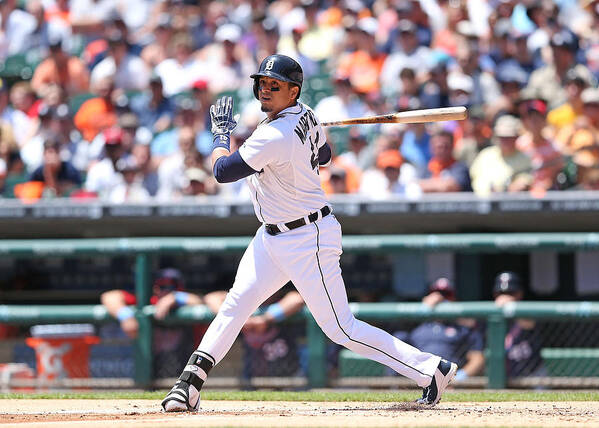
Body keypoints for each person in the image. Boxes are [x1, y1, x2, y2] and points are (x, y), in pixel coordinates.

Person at [161, 54, 457, 412]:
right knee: (235, 305)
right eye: (263, 83)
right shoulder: (304, 115)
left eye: (276, 85)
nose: (266, 90)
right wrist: (308, 132)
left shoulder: (277, 132)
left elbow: (223, 170)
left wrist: (220, 135)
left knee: (341, 328)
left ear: (293, 91)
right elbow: (326, 153)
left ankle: (431, 369)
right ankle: (189, 385)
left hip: (307, 238)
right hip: (272, 236)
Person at [101, 268, 223, 377]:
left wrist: (176, 297)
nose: (165, 291)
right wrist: (125, 316)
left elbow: (200, 301)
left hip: (187, 372)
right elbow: (110, 296)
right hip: (152, 371)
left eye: (170, 287)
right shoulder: (151, 302)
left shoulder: (187, 304)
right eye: (161, 286)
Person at [394, 278, 485, 382]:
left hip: (450, 381)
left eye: (446, 294)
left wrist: (457, 379)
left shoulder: (463, 327)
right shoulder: (416, 324)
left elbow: (477, 359)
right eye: (435, 293)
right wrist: (421, 310)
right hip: (417, 380)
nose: (439, 298)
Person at [492, 271, 544, 378]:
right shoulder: (491, 315)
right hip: (505, 375)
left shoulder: (528, 312)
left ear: (520, 294)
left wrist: (510, 307)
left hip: (533, 373)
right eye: (501, 293)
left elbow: (529, 324)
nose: (505, 297)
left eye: (511, 293)